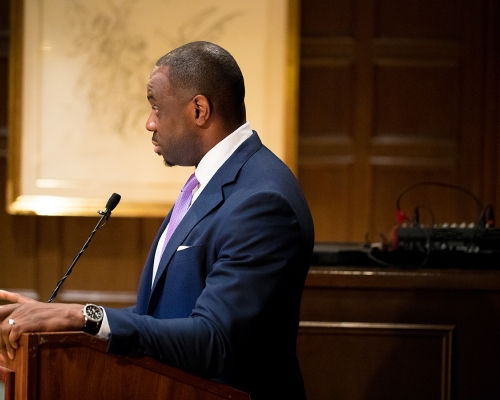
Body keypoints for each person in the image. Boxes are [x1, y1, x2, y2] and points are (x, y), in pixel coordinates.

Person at [0, 41, 314, 400]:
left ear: (199, 110)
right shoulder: (212, 181)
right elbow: (165, 315)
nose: (149, 122)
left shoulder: (262, 201)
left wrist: (79, 317)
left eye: (155, 107)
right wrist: (62, 322)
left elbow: (215, 341)